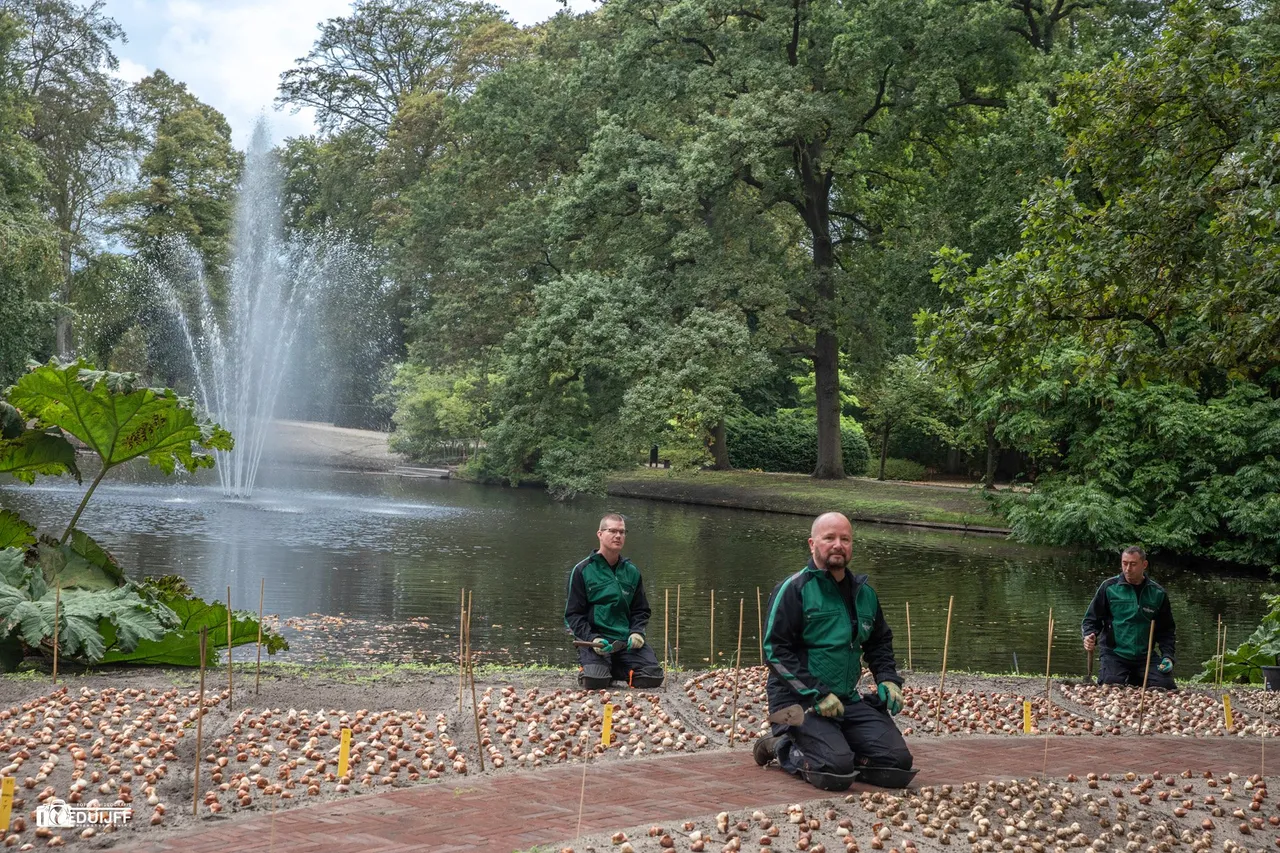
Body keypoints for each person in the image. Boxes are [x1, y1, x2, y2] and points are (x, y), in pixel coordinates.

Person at [754, 512, 912, 791]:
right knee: (834, 771)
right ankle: (780, 744)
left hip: (845, 700)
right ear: (812, 544)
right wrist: (817, 693)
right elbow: (774, 651)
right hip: (796, 702)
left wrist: (887, 677)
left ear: (851, 545)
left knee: (897, 765)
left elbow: (879, 642)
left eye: (845, 539)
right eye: (829, 538)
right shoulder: (793, 589)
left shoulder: (866, 594)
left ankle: (837, 746)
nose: (838, 544)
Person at [564, 513, 664, 689]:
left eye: (622, 532)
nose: (618, 536)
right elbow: (573, 615)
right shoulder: (582, 570)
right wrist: (593, 638)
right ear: (600, 534)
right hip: (595, 641)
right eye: (612, 531)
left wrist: (637, 632)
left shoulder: (632, 571)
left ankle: (612, 667)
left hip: (624, 641)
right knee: (595, 682)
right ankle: (597, 669)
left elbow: (641, 610)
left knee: (653, 677)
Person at [1081, 545, 1177, 690]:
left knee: (1166, 686)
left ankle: (1135, 676)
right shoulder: (1108, 587)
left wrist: (1168, 656)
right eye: (1124, 563)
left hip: (1145, 656)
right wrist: (1089, 635)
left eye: (1133, 564)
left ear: (1144, 565)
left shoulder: (1158, 593)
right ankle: (1128, 676)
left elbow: (1167, 630)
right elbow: (1091, 620)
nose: (1127, 569)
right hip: (1115, 653)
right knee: (1111, 684)